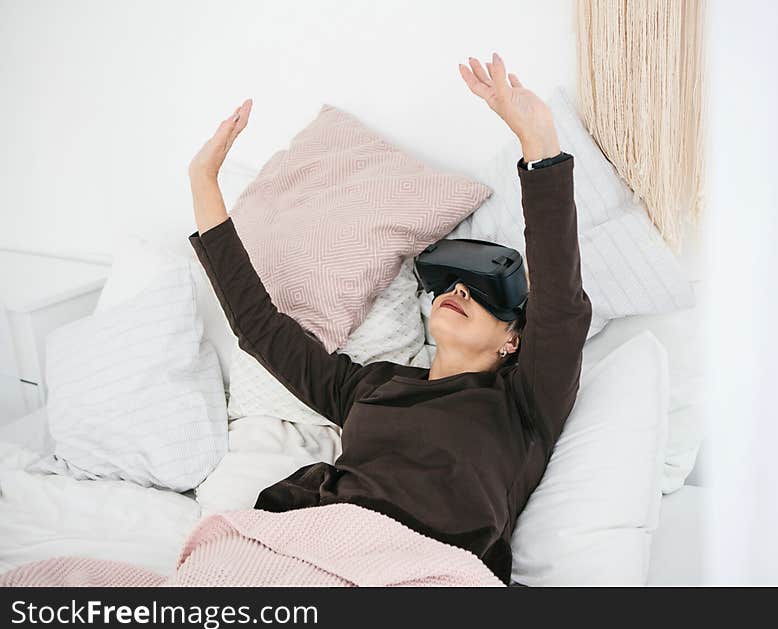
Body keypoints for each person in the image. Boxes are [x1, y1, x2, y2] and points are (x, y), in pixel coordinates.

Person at [187, 52, 592, 584]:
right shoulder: (370, 388)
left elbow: (560, 308)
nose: (460, 291)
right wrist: (202, 181)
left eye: (484, 298)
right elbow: (259, 328)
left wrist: (541, 149)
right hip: (318, 548)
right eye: (450, 286)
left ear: (514, 341)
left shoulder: (523, 406)